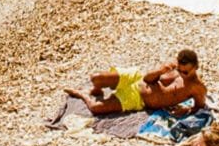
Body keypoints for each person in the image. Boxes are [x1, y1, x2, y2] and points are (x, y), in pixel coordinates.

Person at [73, 48, 206, 116]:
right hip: (137, 78)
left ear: (195, 67)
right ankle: (97, 89)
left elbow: (199, 106)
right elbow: (147, 78)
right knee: (96, 78)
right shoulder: (172, 67)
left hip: (139, 99)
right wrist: (160, 71)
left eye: (186, 72)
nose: (182, 74)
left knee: (96, 108)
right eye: (180, 69)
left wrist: (185, 110)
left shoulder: (197, 87)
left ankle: (83, 94)